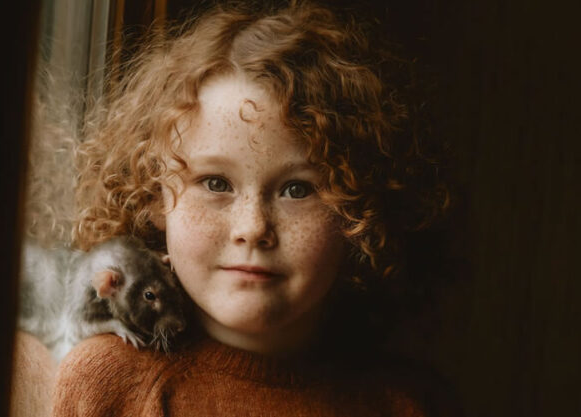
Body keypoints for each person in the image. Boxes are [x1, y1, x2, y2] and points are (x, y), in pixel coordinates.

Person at [53, 1, 453, 415]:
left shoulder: (411, 404)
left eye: (297, 189)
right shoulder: (108, 383)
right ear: (154, 197)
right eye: (215, 183)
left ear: (358, 211)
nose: (253, 227)